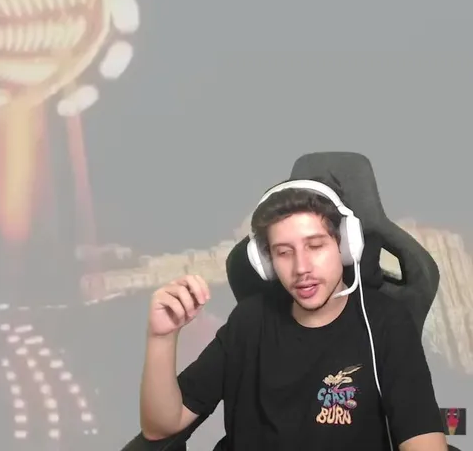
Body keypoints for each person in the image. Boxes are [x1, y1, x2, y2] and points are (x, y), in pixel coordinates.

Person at [138, 177, 448, 450]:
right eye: (284, 252)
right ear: (267, 262)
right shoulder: (249, 321)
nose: (301, 268)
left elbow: (423, 439)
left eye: (315, 246)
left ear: (344, 247)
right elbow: (161, 427)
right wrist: (161, 337)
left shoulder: (385, 322)